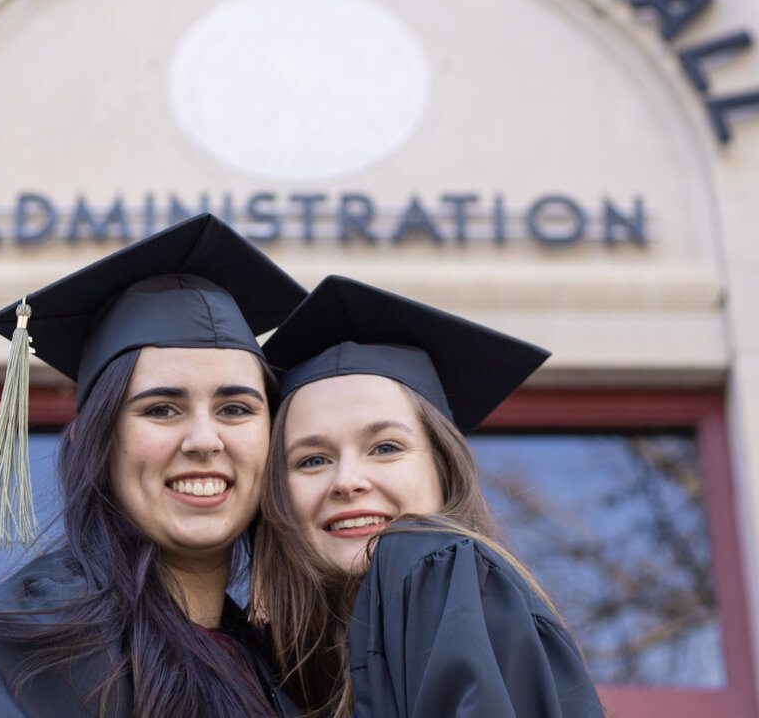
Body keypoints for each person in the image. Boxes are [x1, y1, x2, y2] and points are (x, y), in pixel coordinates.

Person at [0, 214, 306, 718]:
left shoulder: (278, 669)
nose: (204, 440)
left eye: (235, 409)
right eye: (161, 409)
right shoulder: (37, 650)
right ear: (97, 443)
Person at [251, 275, 606, 718]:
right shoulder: (279, 667)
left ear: (443, 467)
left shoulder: (440, 567)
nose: (347, 480)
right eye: (312, 460)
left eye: (385, 448)